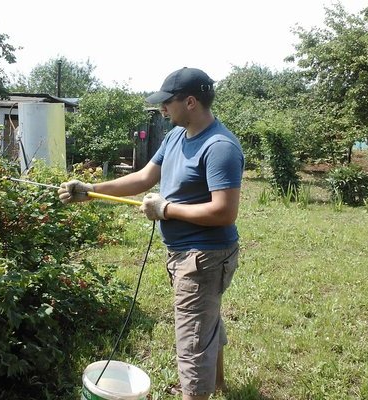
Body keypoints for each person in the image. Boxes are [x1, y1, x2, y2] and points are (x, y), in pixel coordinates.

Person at [58, 67, 244, 400]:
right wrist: (91, 189)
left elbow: (224, 212)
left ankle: (197, 393)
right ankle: (218, 386)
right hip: (185, 254)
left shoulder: (220, 147)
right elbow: (144, 178)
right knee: (204, 320)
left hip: (203, 257)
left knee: (192, 341)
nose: (162, 110)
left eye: (166, 103)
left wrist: (165, 210)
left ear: (190, 102)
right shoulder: (175, 136)